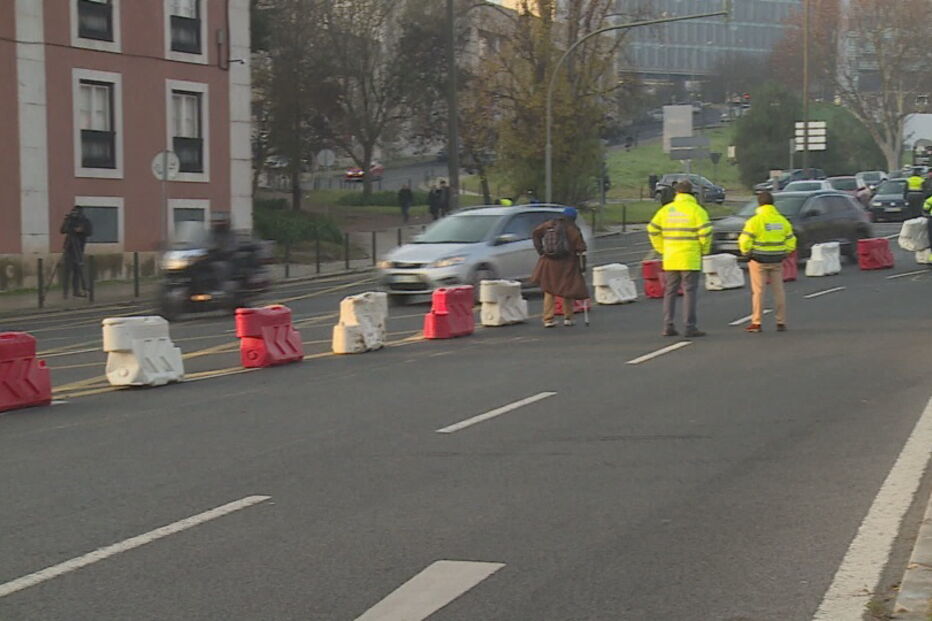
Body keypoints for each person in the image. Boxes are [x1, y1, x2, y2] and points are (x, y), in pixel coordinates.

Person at [647, 180, 712, 337]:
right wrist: (704, 249)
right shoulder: (697, 210)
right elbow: (706, 232)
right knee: (689, 292)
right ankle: (690, 326)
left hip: (670, 257)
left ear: (676, 193)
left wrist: (661, 247)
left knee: (670, 292)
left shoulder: (666, 210)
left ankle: (668, 325)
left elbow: (652, 229)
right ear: (692, 193)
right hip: (690, 257)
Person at [738, 191, 797, 333]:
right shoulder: (782, 221)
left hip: (759, 260)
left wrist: (747, 252)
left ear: (759, 204)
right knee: (779, 291)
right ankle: (781, 322)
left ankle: (757, 322)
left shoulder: (754, 221)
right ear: (773, 203)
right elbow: (791, 240)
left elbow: (744, 240)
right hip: (777, 259)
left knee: (758, 291)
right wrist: (785, 252)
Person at [531, 207, 589, 328]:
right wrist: (582, 265)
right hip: (567, 262)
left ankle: (548, 318)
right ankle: (568, 317)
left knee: (549, 289)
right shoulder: (572, 229)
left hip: (549, 261)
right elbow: (581, 248)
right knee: (567, 289)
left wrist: (541, 251)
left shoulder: (550, 224)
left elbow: (536, 233)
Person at [60, 205, 93, 297]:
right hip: (69, 248)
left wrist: (81, 230)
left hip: (79, 248)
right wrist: (67, 221)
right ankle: (65, 293)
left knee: (77, 271)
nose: (75, 213)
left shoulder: (85, 221)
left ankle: (76, 291)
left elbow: (89, 232)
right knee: (67, 272)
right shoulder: (70, 220)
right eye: (73, 211)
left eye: (76, 212)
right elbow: (62, 230)